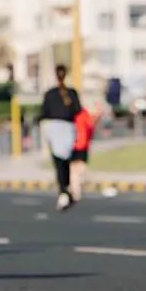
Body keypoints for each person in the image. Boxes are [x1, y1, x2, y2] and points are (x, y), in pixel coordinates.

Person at [39, 65, 85, 211]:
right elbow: (78, 110)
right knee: (66, 161)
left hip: (54, 130)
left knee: (59, 163)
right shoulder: (72, 93)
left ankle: (63, 190)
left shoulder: (50, 94)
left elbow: (44, 112)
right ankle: (66, 189)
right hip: (68, 130)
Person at [70, 94, 99, 202]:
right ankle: (77, 189)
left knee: (75, 168)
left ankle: (76, 189)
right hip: (82, 144)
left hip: (76, 144)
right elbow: (90, 127)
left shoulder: (75, 115)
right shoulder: (84, 114)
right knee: (78, 168)